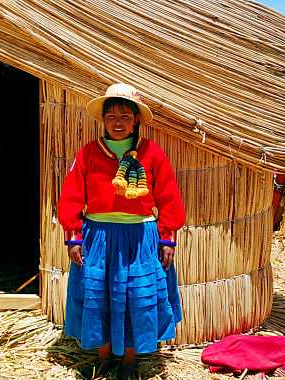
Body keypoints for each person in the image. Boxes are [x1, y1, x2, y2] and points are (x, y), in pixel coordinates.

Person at [57, 83, 185, 379]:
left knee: (135, 298)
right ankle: (103, 359)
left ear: (136, 120)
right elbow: (72, 195)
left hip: (139, 239)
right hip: (98, 237)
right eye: (111, 115)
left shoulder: (151, 153)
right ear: (103, 119)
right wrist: (74, 236)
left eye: (125, 116)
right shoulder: (89, 153)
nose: (117, 122)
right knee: (98, 296)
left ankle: (129, 360)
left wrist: (167, 238)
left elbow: (168, 196)